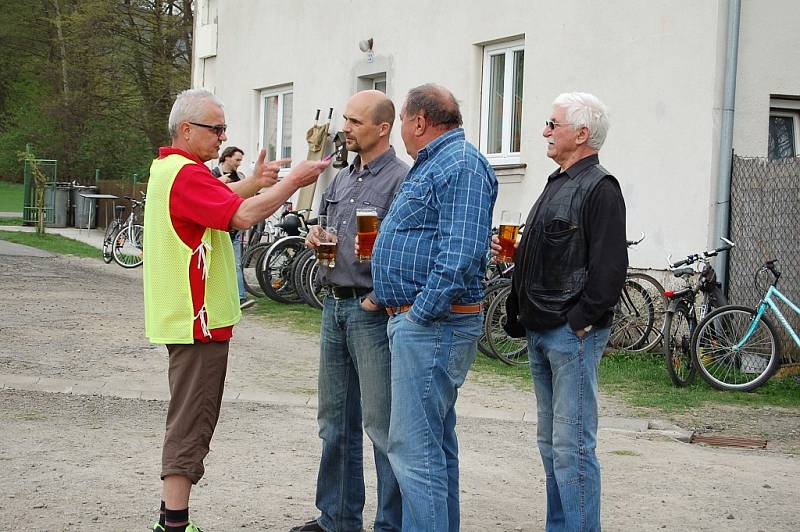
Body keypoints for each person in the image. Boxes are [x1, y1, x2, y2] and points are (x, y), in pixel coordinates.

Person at [144, 88, 329, 532]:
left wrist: (258, 181)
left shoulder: (173, 169)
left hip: (186, 317)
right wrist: (291, 183)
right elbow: (241, 216)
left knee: (188, 414)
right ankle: (175, 525)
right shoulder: (187, 175)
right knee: (192, 419)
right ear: (186, 129)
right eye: (216, 129)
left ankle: (171, 519)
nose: (223, 136)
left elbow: (223, 200)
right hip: (198, 321)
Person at [370, 84, 497, 531]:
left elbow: (460, 252)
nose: (403, 129)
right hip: (421, 322)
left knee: (414, 450)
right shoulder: (438, 163)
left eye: (403, 120)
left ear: (419, 121)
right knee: (433, 447)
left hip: (433, 325)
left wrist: (417, 314)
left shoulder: (460, 164)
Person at [499, 92, 627, 531]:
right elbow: (560, 251)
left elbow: (609, 269)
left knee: (572, 447)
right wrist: (516, 253)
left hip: (570, 334)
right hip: (542, 330)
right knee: (552, 444)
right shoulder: (559, 181)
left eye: (553, 124)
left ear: (581, 133)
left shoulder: (600, 187)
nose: (545, 132)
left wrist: (579, 322)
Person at [291, 90, 408, 532]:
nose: (346, 128)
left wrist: (379, 294)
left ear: (383, 128)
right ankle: (337, 519)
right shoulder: (341, 178)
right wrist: (315, 235)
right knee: (334, 421)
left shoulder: (401, 180)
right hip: (333, 306)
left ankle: (390, 525)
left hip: (372, 311)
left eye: (355, 122)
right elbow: (324, 226)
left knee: (381, 425)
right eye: (346, 119)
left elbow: (403, 250)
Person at [211, 146, 255, 310]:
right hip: (218, 228)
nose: (239, 163)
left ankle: (240, 298)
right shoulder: (213, 174)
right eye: (237, 160)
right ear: (227, 158)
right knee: (217, 265)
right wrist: (219, 184)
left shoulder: (240, 177)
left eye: (240, 160)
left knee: (235, 264)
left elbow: (245, 198)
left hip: (235, 229)